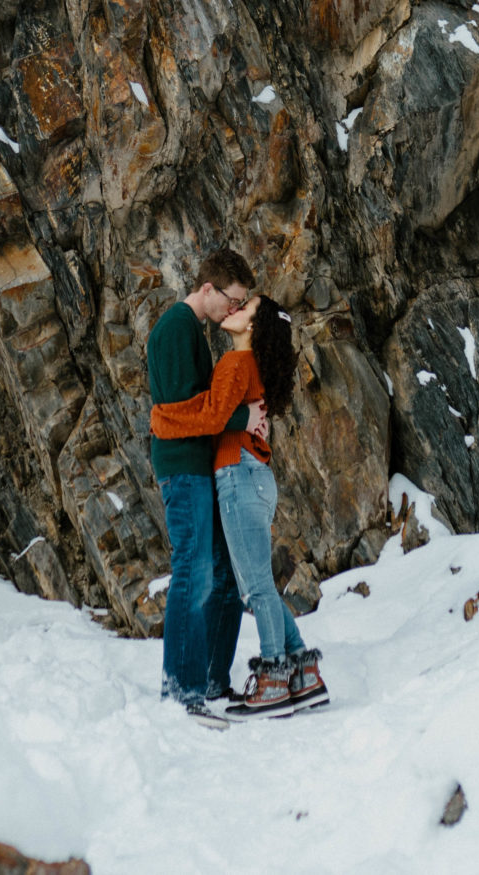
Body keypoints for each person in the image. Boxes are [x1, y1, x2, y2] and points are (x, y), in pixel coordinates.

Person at [149, 294, 329, 720]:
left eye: (243, 307)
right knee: (259, 581)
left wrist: (162, 421)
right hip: (256, 477)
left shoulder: (233, 365)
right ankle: (304, 672)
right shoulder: (252, 367)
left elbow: (210, 417)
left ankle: (272, 680)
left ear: (254, 326)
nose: (234, 310)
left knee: (255, 587)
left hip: (237, 476)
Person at [145, 247, 253, 722]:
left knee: (222, 573)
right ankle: (181, 689)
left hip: (200, 466)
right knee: (192, 570)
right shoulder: (174, 328)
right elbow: (184, 415)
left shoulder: (195, 331)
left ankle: (211, 681)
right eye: (232, 300)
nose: (234, 310)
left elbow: (198, 410)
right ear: (207, 288)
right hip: (182, 468)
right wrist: (245, 416)